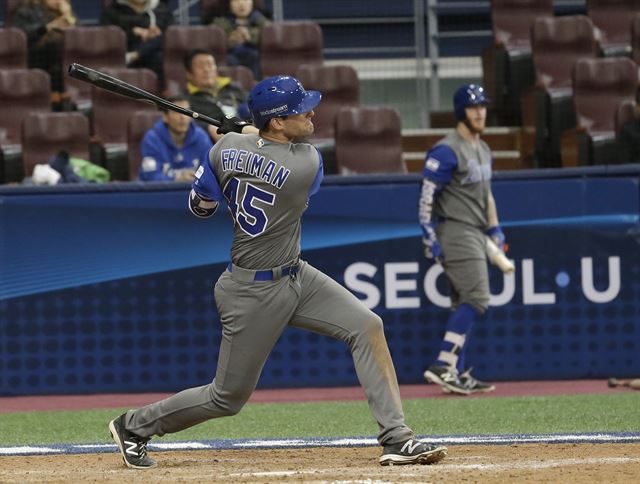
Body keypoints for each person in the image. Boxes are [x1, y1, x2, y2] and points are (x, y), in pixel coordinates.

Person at [107, 75, 448, 469]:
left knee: (366, 325)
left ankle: (397, 438)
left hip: (296, 275)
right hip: (251, 293)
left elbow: (199, 208)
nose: (311, 113)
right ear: (278, 123)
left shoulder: (223, 149)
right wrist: (246, 133)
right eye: (300, 109)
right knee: (227, 398)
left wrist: (236, 140)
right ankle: (134, 426)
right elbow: (272, 153)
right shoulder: (305, 162)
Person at [418, 83, 505, 395]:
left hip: (476, 231)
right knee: (478, 298)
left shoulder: (483, 148)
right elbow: (426, 198)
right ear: (460, 111)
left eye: (483, 105)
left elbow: (487, 194)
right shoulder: (446, 149)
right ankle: (442, 365)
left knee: (462, 301)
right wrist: (428, 234)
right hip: (455, 229)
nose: (480, 111)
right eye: (473, 106)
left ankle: (455, 372)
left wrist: (495, 228)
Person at [139, 94, 212, 182]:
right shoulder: (152, 139)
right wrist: (176, 178)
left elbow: (210, 172)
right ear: (165, 117)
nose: (183, 117)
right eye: (176, 112)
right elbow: (150, 176)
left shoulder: (201, 137)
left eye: (187, 112)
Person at [183, 48, 250, 141]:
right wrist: (208, 127)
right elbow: (187, 123)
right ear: (189, 74)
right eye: (200, 66)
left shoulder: (233, 89)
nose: (206, 69)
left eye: (210, 64)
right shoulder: (186, 99)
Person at [100, 0, 174, 84]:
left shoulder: (162, 9)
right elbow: (106, 38)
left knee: (160, 39)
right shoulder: (112, 11)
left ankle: (136, 54)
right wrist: (132, 32)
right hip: (125, 57)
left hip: (155, 58)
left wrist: (153, 34)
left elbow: (172, 36)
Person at [13, 0, 77, 93]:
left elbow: (81, 35)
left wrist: (68, 15)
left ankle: (60, 95)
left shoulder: (63, 12)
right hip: (36, 55)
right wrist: (48, 27)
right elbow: (23, 34)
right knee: (56, 44)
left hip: (62, 57)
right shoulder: (27, 11)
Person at [212, 0, 270, 80]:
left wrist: (250, 37)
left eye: (246, 0)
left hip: (255, 58)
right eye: (236, 0)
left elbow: (270, 41)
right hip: (229, 57)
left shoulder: (262, 21)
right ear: (229, 3)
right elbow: (212, 44)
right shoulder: (219, 23)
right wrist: (229, 41)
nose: (241, 4)